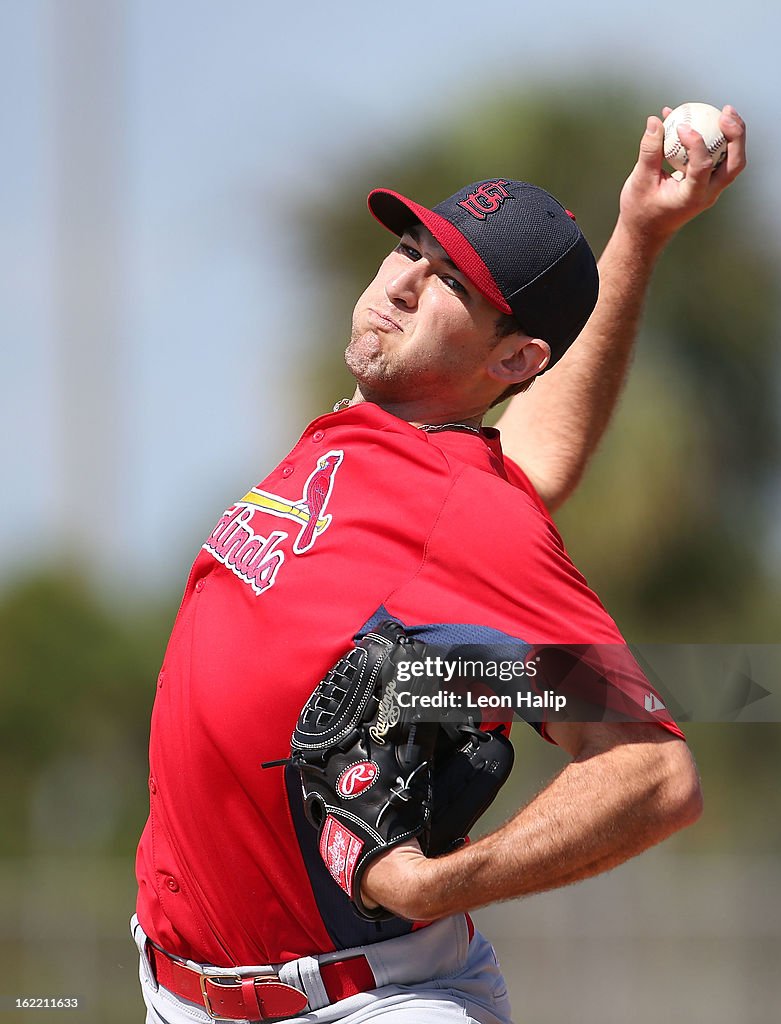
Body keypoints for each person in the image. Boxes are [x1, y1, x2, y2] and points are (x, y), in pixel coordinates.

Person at [132, 107, 746, 1023]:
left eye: (450, 278)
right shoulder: (380, 434)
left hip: (362, 1002)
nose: (404, 282)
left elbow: (651, 772)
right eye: (412, 246)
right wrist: (637, 234)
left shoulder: (472, 514)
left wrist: (438, 885)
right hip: (181, 994)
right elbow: (534, 449)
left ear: (515, 355)